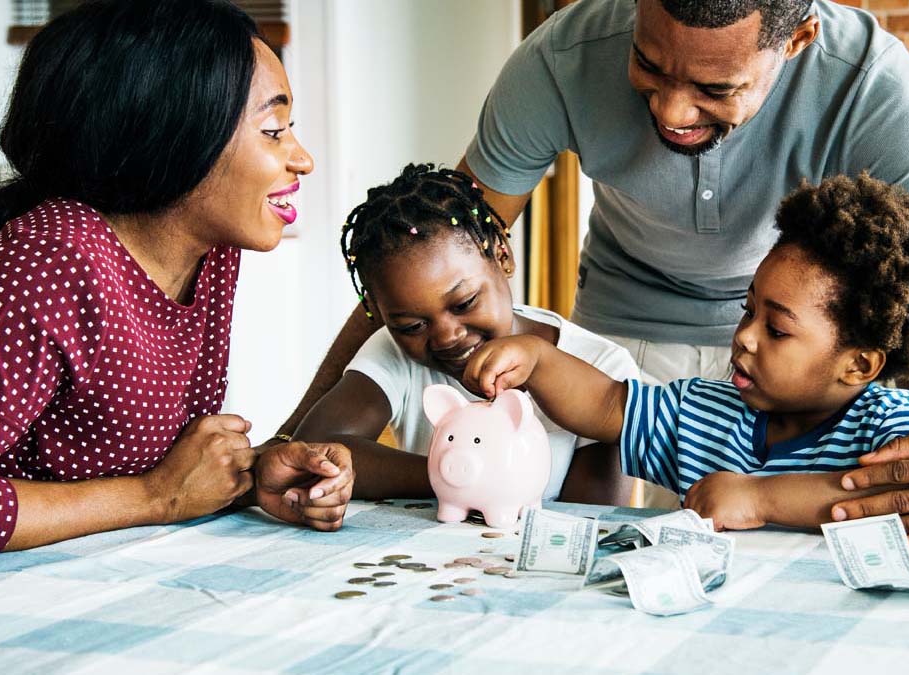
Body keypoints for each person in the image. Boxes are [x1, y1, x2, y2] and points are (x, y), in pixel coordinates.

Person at [277, 0, 909, 550]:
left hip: (807, 346)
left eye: (716, 88)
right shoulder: (560, 59)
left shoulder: (884, 100)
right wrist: (284, 442)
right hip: (624, 335)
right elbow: (431, 248)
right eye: (649, 63)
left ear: (799, 38)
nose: (672, 109)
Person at [0, 0, 352, 584]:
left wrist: (250, 478)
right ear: (172, 134)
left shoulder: (209, 250)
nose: (301, 158)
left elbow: (170, 467)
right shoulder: (50, 259)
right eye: (273, 130)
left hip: (81, 583)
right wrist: (154, 498)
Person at [463, 173, 909, 535]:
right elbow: (607, 406)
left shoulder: (894, 427)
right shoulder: (706, 412)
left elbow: (893, 502)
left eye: (777, 329)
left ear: (858, 364)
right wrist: (538, 360)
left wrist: (759, 498)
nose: (745, 337)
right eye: (749, 312)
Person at [270, 164, 636, 506]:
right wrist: (451, 476)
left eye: (464, 303)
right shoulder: (394, 350)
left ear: (502, 256)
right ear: (379, 313)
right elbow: (313, 450)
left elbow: (594, 517)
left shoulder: (602, 366)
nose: (446, 337)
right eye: (412, 326)